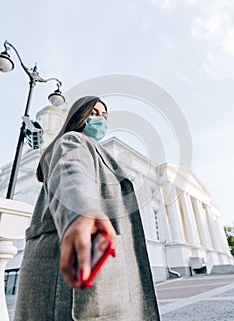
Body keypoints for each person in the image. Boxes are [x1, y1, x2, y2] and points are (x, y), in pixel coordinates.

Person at [13, 96, 161, 321]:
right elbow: (71, 172)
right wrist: (81, 212)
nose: (100, 119)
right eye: (94, 113)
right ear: (79, 116)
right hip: (66, 267)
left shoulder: (96, 152)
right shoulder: (72, 141)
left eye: (104, 115)